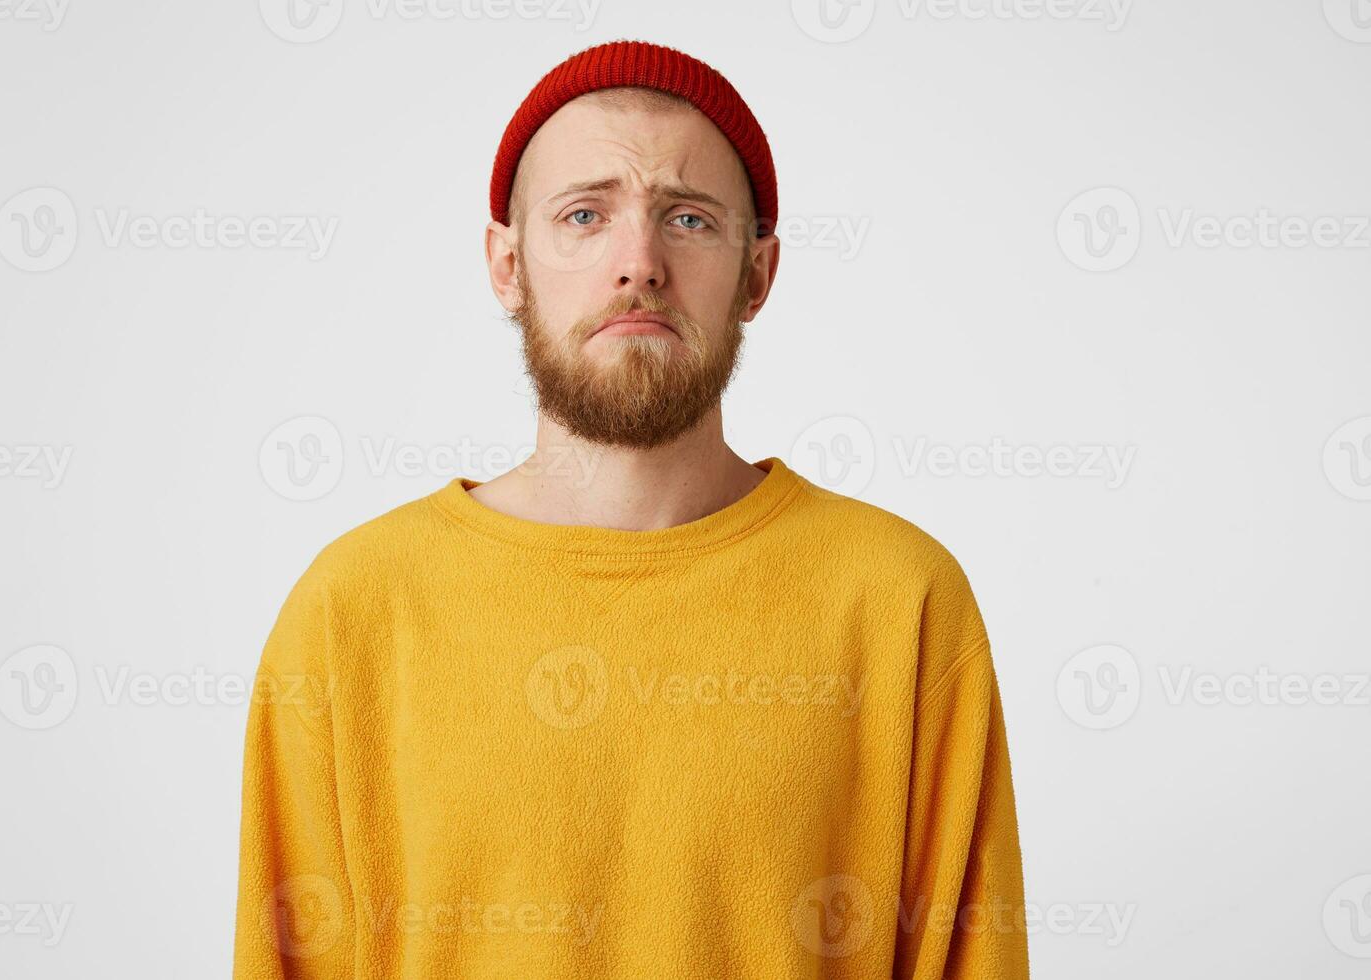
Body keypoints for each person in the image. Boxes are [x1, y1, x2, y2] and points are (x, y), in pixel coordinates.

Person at [233, 38, 1029, 980]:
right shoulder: (353, 609)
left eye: (688, 219)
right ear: (507, 265)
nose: (639, 263)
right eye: (584, 215)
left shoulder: (901, 602)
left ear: (759, 275)